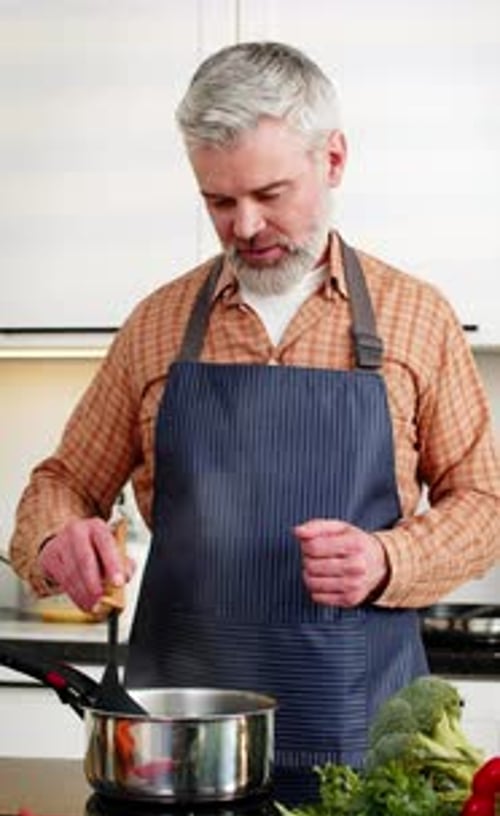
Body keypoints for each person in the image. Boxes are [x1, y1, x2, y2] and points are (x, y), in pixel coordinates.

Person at [9, 42, 500, 774]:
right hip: (179, 743)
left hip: (363, 743)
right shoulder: (158, 325)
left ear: (332, 161)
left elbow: (485, 504)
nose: (243, 226)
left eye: (270, 194)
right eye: (218, 200)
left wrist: (387, 558)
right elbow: (63, 482)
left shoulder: (416, 320)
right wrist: (57, 541)